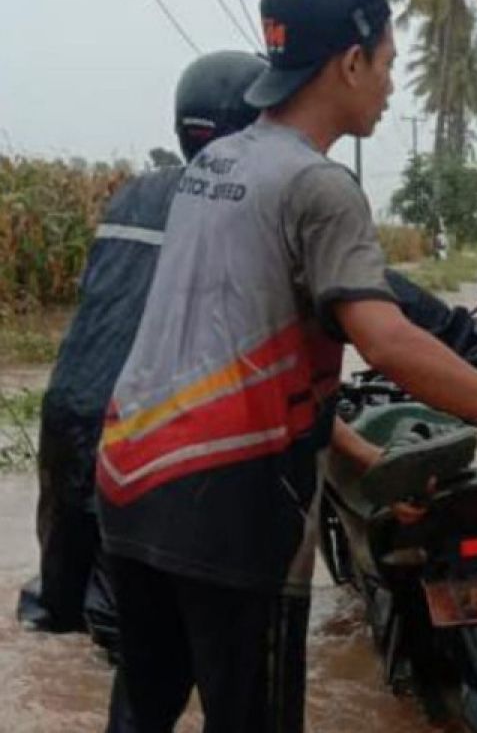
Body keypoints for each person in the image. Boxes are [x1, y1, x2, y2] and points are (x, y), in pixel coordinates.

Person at [97, 0, 477, 733]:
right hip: (231, 504)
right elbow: (389, 343)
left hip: (131, 481)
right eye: (389, 63)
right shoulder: (319, 186)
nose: (392, 84)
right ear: (350, 62)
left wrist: (371, 463)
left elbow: (245, 365)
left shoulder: (214, 167)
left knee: (143, 709)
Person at [16, 51, 267, 657]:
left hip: (71, 405)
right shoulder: (241, 203)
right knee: (129, 633)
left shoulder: (132, 195)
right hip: (145, 423)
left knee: (60, 604)